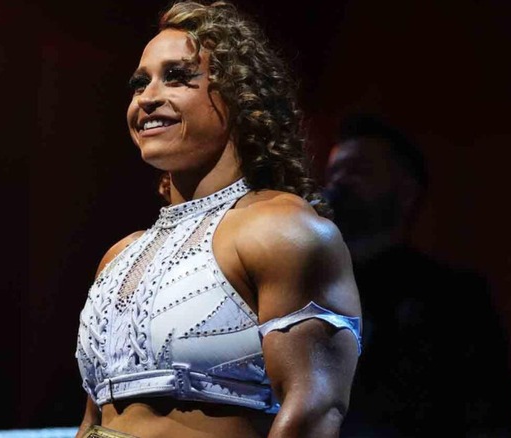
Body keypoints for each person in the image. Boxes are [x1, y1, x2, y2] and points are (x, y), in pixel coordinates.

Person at [74, 2, 362, 437]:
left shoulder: (283, 230)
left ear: (239, 94)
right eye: (139, 83)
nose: (147, 98)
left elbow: (314, 411)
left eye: (177, 76)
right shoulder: (119, 255)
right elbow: (94, 421)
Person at [325, 114, 511, 437]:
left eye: (359, 170)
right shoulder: (306, 291)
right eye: (334, 172)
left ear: (406, 191)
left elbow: (489, 417)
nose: (339, 183)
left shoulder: (456, 299)